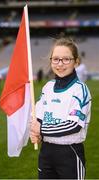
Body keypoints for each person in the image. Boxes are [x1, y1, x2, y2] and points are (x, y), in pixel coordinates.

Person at [30, 37, 91, 179]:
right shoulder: (48, 87)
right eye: (56, 59)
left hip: (69, 152)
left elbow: (74, 125)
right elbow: (39, 116)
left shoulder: (80, 90)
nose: (60, 64)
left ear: (76, 62)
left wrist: (41, 129)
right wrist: (35, 131)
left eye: (66, 59)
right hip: (46, 152)